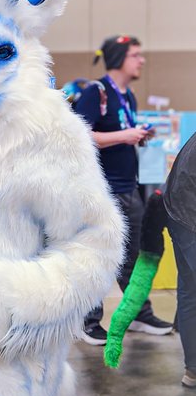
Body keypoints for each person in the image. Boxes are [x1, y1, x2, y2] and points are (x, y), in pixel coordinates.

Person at [73, 34, 172, 344]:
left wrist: (136, 136)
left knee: (139, 254)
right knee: (100, 256)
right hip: (103, 191)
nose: (141, 60)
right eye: (135, 55)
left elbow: (118, 133)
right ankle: (88, 320)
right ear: (118, 59)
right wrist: (124, 135)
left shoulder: (128, 96)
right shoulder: (95, 92)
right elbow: (81, 136)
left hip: (129, 189)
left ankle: (139, 312)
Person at [164, 132, 196, 387]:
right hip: (188, 213)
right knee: (189, 294)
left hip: (177, 211)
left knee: (189, 293)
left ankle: (193, 370)